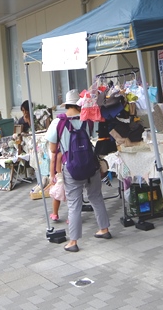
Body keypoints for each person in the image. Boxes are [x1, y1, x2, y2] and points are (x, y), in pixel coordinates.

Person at [45, 89, 111, 253]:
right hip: (91, 165)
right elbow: (93, 138)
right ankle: (104, 229)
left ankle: (73, 242)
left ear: (66, 104)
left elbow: (53, 148)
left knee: (75, 204)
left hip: (71, 168)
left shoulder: (57, 122)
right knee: (96, 196)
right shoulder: (87, 119)